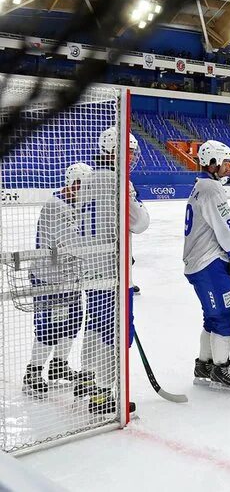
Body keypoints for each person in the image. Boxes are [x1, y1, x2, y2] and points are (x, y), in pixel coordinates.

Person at [77, 129, 150, 414]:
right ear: (113, 150)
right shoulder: (120, 182)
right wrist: (138, 202)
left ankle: (91, 383)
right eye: (127, 151)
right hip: (114, 273)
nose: (131, 158)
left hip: (91, 268)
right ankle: (107, 392)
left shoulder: (87, 180)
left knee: (96, 328)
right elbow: (139, 222)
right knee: (114, 333)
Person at [23, 163, 94, 397]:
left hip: (71, 278)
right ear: (73, 184)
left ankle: (58, 366)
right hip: (49, 279)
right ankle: (33, 374)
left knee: (73, 323)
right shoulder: (55, 206)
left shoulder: (77, 205)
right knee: (49, 328)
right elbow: (70, 243)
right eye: (84, 187)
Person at [184, 140, 230, 392]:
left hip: (201, 262)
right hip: (209, 262)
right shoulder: (211, 189)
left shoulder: (201, 186)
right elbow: (225, 227)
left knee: (212, 316)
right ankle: (221, 369)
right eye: (226, 163)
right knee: (224, 315)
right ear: (213, 163)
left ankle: (204, 365)